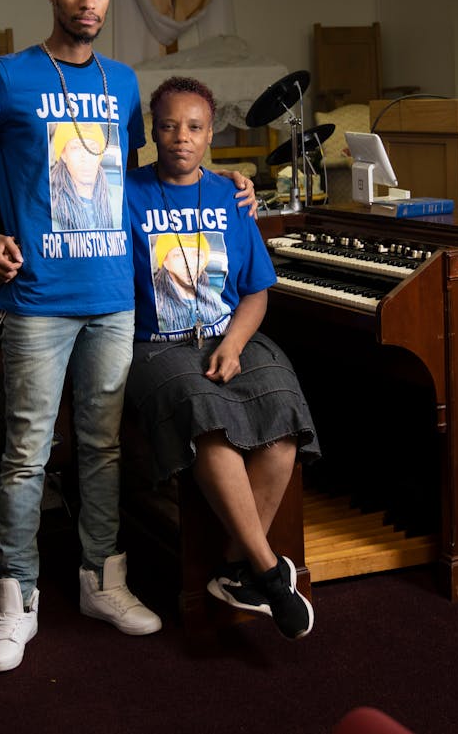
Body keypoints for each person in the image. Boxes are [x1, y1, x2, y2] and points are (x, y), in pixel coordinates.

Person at [0, 0, 256, 672]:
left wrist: (226, 177)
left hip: (113, 298)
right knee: (28, 450)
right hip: (37, 296)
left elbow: (140, 179)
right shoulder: (9, 77)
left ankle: (103, 580)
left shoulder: (123, 83)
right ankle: (18, 595)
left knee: (103, 447)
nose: (89, 1)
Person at [125, 75, 320, 640]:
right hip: (156, 346)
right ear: (152, 133)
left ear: (211, 134)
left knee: (283, 419)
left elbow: (256, 290)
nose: (180, 138)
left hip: (229, 334)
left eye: (193, 127)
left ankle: (238, 568)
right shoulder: (126, 192)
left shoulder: (231, 197)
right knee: (208, 423)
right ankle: (268, 572)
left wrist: (234, 343)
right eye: (168, 126)